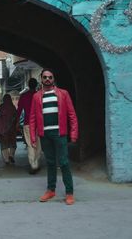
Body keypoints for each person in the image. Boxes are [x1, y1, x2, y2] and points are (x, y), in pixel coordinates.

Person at [29, 68, 78, 205]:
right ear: (41, 79)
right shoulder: (36, 96)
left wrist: (74, 133)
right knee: (50, 162)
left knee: (63, 162)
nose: (47, 79)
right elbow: (32, 118)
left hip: (60, 133)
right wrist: (33, 136)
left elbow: (72, 115)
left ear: (53, 79)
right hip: (45, 135)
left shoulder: (63, 94)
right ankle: (51, 190)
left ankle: (69, 193)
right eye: (45, 77)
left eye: (50, 77)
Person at [17, 78, 42, 175]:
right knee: (38, 144)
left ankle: (33, 164)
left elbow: (19, 110)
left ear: (28, 85)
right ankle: (36, 162)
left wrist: (16, 123)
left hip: (28, 123)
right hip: (39, 123)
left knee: (30, 144)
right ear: (36, 85)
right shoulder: (40, 95)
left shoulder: (24, 96)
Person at [0, 94, 18, 164]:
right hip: (11, 130)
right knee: (12, 143)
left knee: (4, 144)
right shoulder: (13, 107)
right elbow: (15, 117)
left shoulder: (1, 108)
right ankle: (11, 155)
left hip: (3, 131)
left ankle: (6, 159)